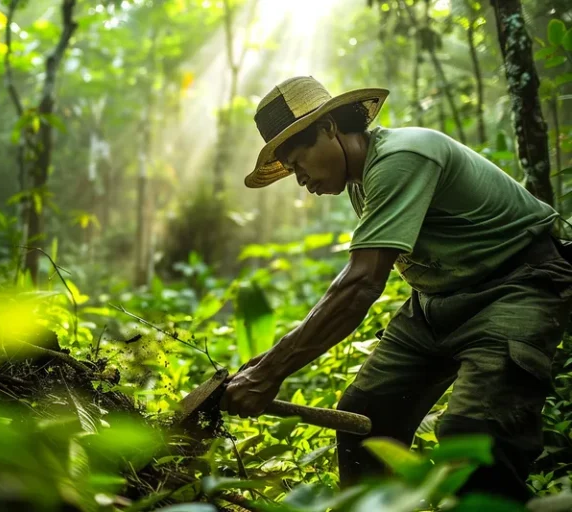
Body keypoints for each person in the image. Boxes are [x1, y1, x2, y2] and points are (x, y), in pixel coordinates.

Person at [219, 76, 572, 503]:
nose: (300, 180)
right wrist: (261, 366)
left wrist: (270, 372)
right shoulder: (359, 182)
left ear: (329, 129)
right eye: (292, 170)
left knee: (474, 436)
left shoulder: (403, 155)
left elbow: (361, 284)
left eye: (299, 161)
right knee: (363, 420)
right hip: (436, 304)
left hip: (514, 287)